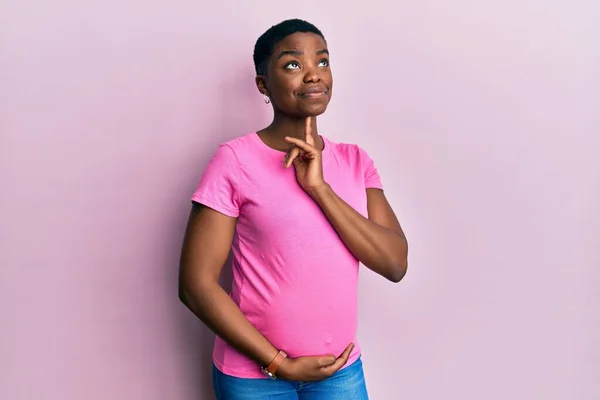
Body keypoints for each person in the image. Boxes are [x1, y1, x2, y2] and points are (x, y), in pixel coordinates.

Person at [178, 18, 408, 400]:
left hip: (340, 372)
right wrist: (278, 363)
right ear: (263, 85)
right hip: (255, 380)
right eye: (292, 65)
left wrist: (319, 188)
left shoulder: (355, 161)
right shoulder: (234, 160)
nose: (313, 75)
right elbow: (196, 285)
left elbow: (394, 263)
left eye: (322, 61)